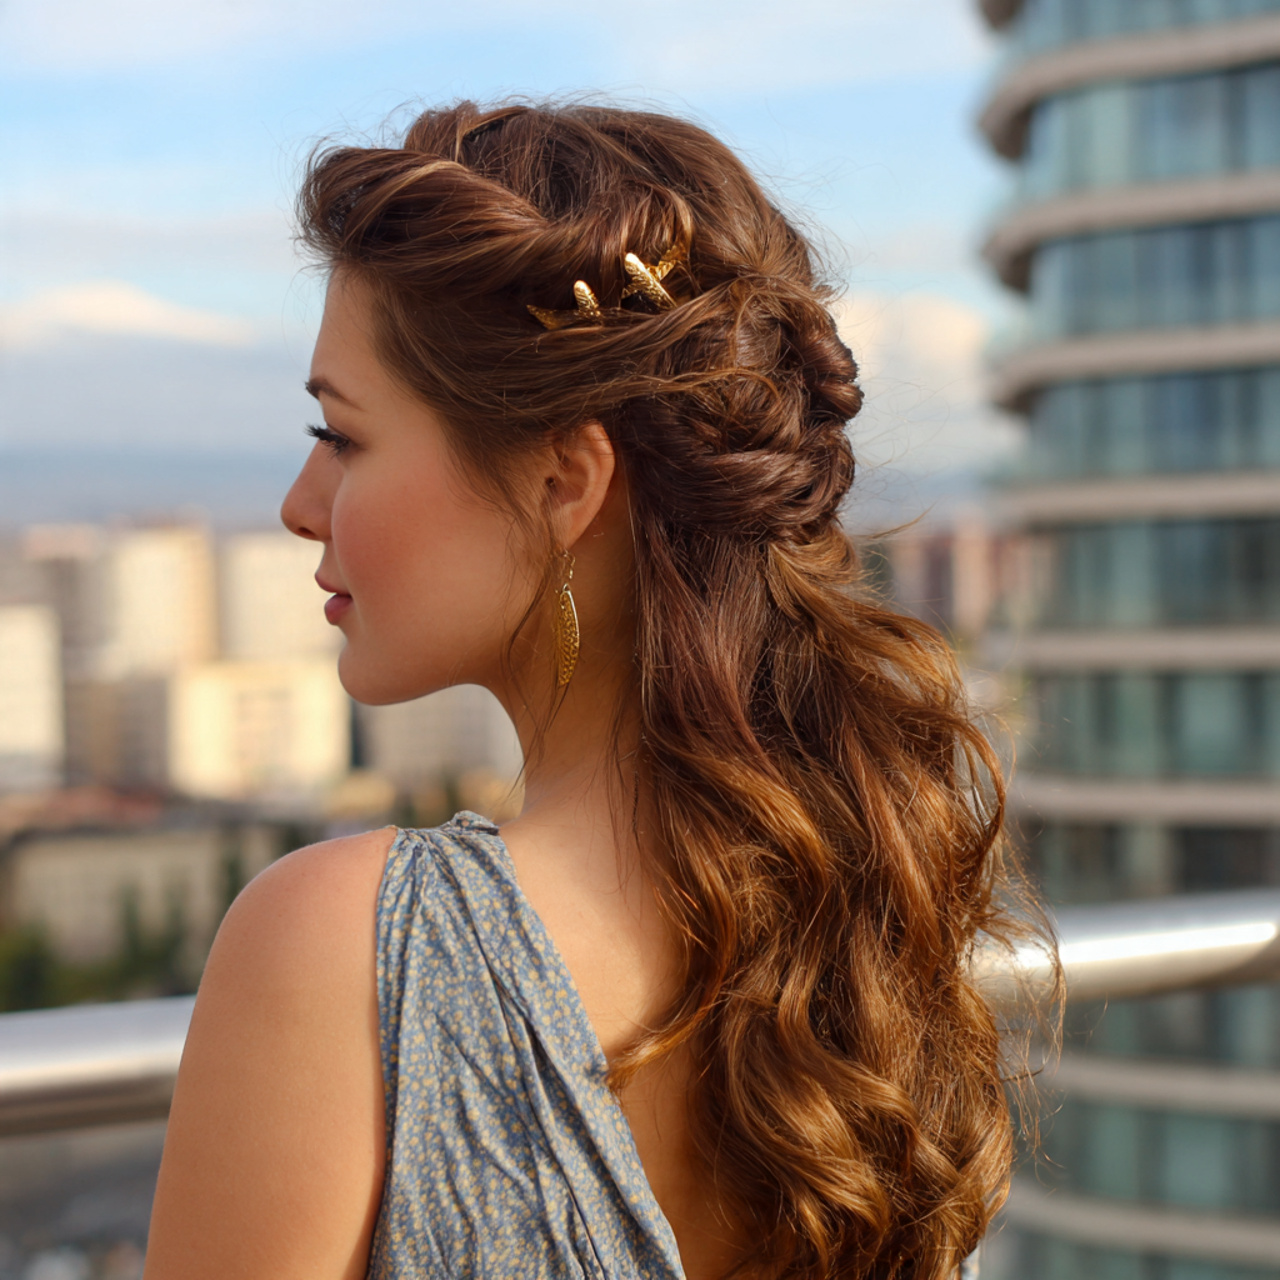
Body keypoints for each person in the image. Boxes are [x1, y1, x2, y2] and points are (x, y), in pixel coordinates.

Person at [143, 101, 1035, 1280]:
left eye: (342, 434)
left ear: (566, 480)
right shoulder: (871, 899)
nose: (300, 503)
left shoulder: (351, 947)